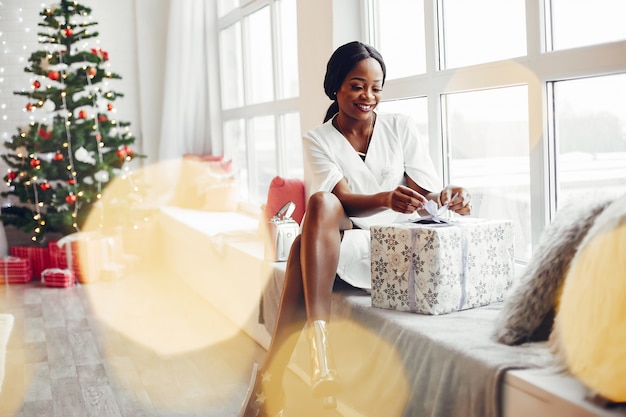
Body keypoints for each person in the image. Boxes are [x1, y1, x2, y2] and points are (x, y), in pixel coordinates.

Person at [238, 41, 471, 417]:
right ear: (336, 86)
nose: (368, 96)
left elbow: (429, 194)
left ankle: (277, 374)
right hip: (345, 244)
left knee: (300, 247)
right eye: (357, 85)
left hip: (392, 248)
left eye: (376, 88)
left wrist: (451, 195)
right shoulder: (319, 138)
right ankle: (317, 352)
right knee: (320, 202)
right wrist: (384, 198)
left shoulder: (400, 127)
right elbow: (341, 200)